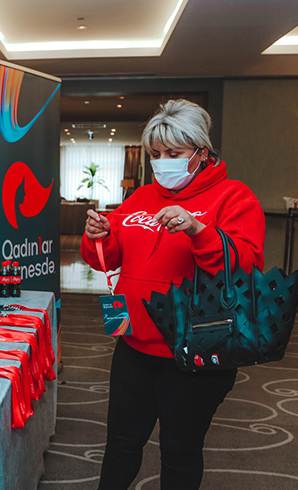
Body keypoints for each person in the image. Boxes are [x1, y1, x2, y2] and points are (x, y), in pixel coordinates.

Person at [81, 99, 265, 489]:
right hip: (134, 345)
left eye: (173, 153)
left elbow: (244, 268)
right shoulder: (141, 197)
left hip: (193, 353)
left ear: (202, 152)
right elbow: (106, 260)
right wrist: (99, 235)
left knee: (179, 451)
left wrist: (198, 230)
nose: (162, 162)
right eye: (155, 154)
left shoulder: (233, 196)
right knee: (120, 444)